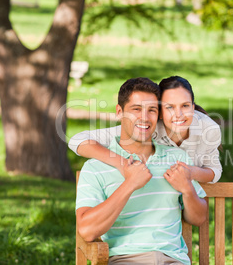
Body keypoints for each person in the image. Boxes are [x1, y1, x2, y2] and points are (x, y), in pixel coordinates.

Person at [76, 77, 207, 265]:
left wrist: (187, 188)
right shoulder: (95, 167)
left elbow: (199, 218)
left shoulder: (178, 158)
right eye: (136, 109)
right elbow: (87, 230)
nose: (144, 118)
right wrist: (130, 184)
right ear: (119, 112)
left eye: (152, 110)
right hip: (125, 259)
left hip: (174, 261)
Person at [69, 76, 222, 184]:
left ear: (193, 107)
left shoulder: (209, 129)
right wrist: (123, 164)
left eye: (185, 106)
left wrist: (190, 173)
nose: (179, 114)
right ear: (160, 112)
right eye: (169, 107)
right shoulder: (148, 127)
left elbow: (214, 170)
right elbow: (77, 140)